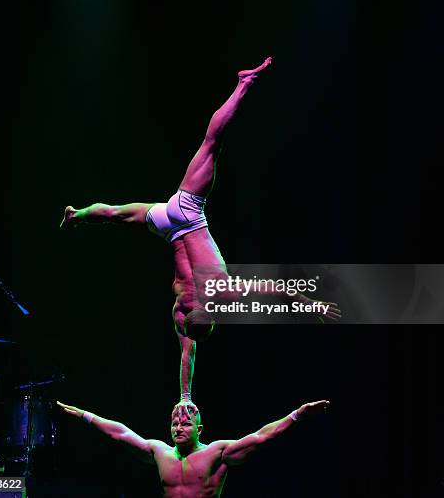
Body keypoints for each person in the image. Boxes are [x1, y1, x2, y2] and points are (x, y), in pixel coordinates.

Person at [59, 57, 340, 409]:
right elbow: (194, 353)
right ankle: (79, 214)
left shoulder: (217, 300)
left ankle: (244, 85)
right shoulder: (194, 308)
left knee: (212, 143)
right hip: (172, 226)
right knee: (118, 213)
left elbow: (271, 292)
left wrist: (186, 396)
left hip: (184, 216)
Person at [57, 398, 330, 497]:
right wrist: (85, 415)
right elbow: (120, 433)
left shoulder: (217, 452)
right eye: (175, 423)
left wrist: (297, 414)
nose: (178, 426)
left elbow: (261, 437)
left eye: (186, 424)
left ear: (200, 429)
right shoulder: (159, 451)